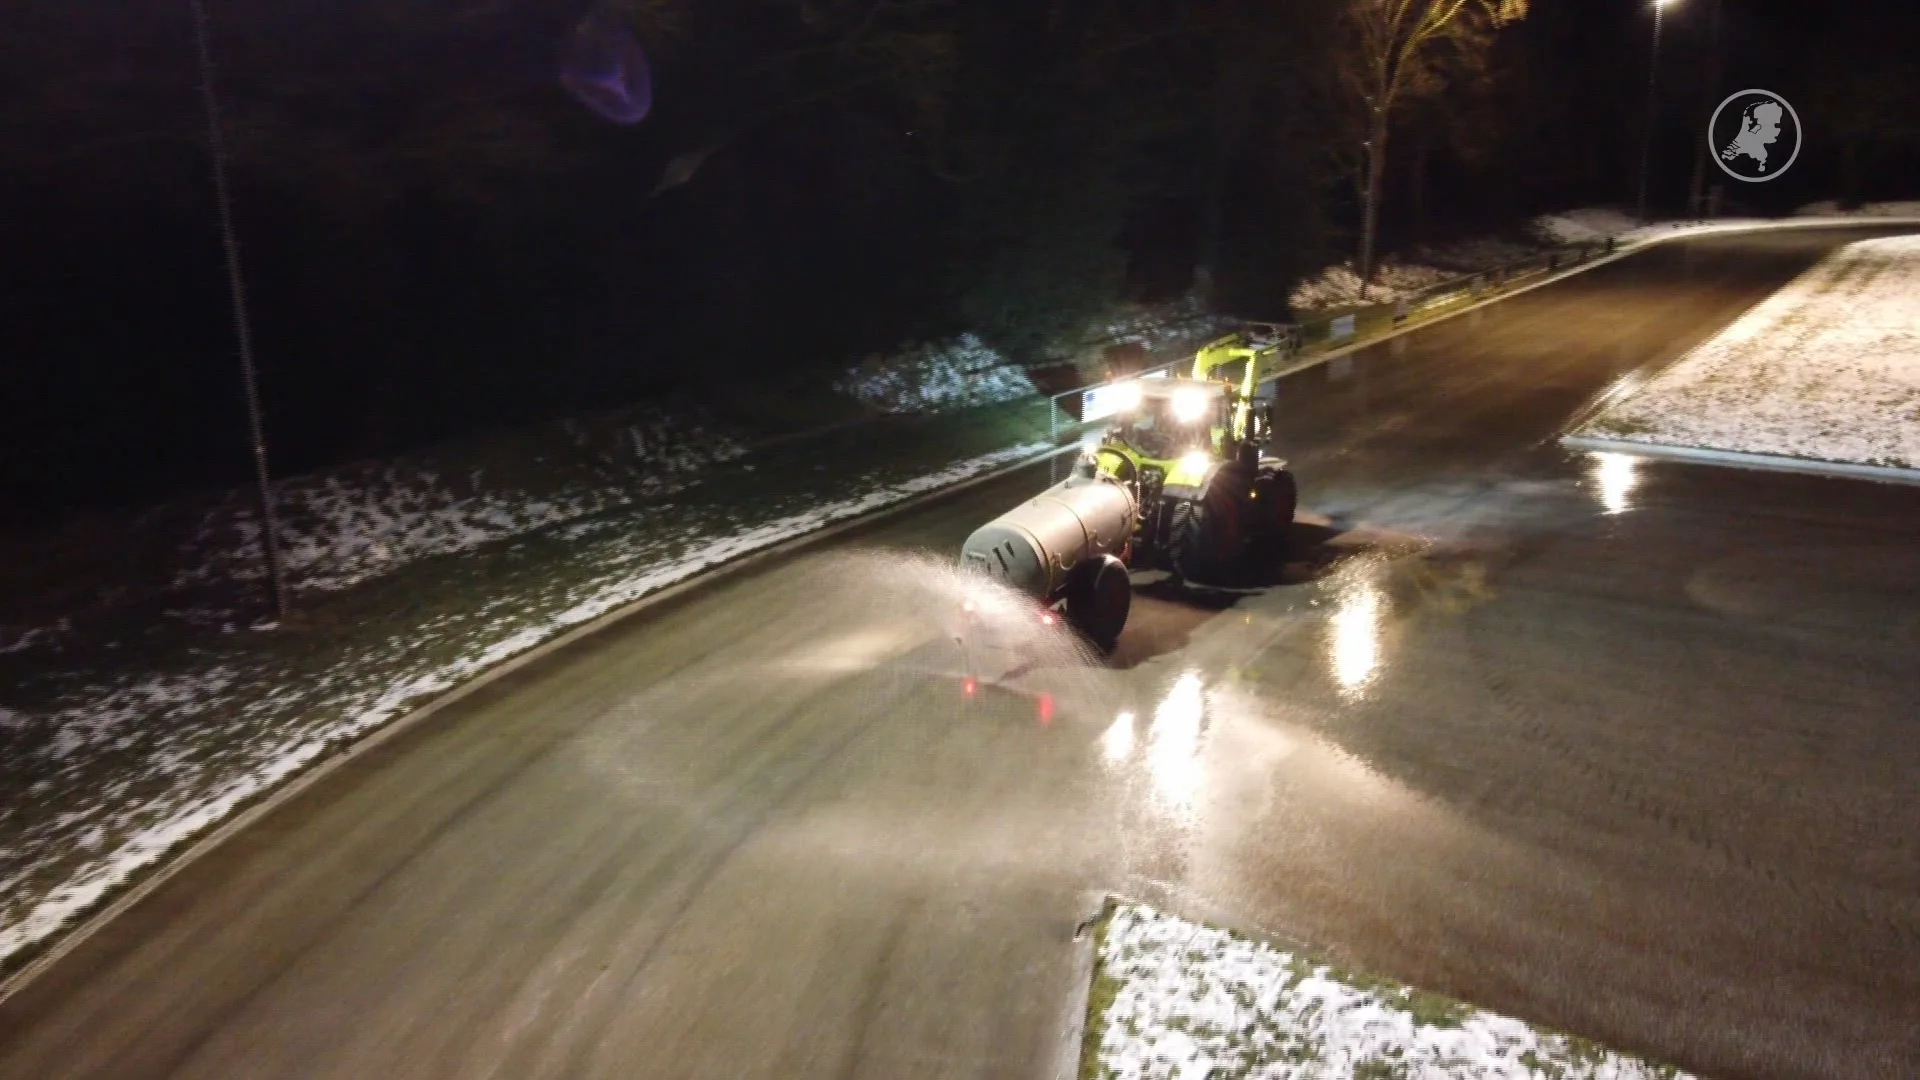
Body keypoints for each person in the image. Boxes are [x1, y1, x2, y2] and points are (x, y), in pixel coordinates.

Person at [1721, 100, 1784, 173]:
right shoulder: (1736, 158)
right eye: (1775, 124)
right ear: (1756, 127)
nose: (1779, 129)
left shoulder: (1761, 154)